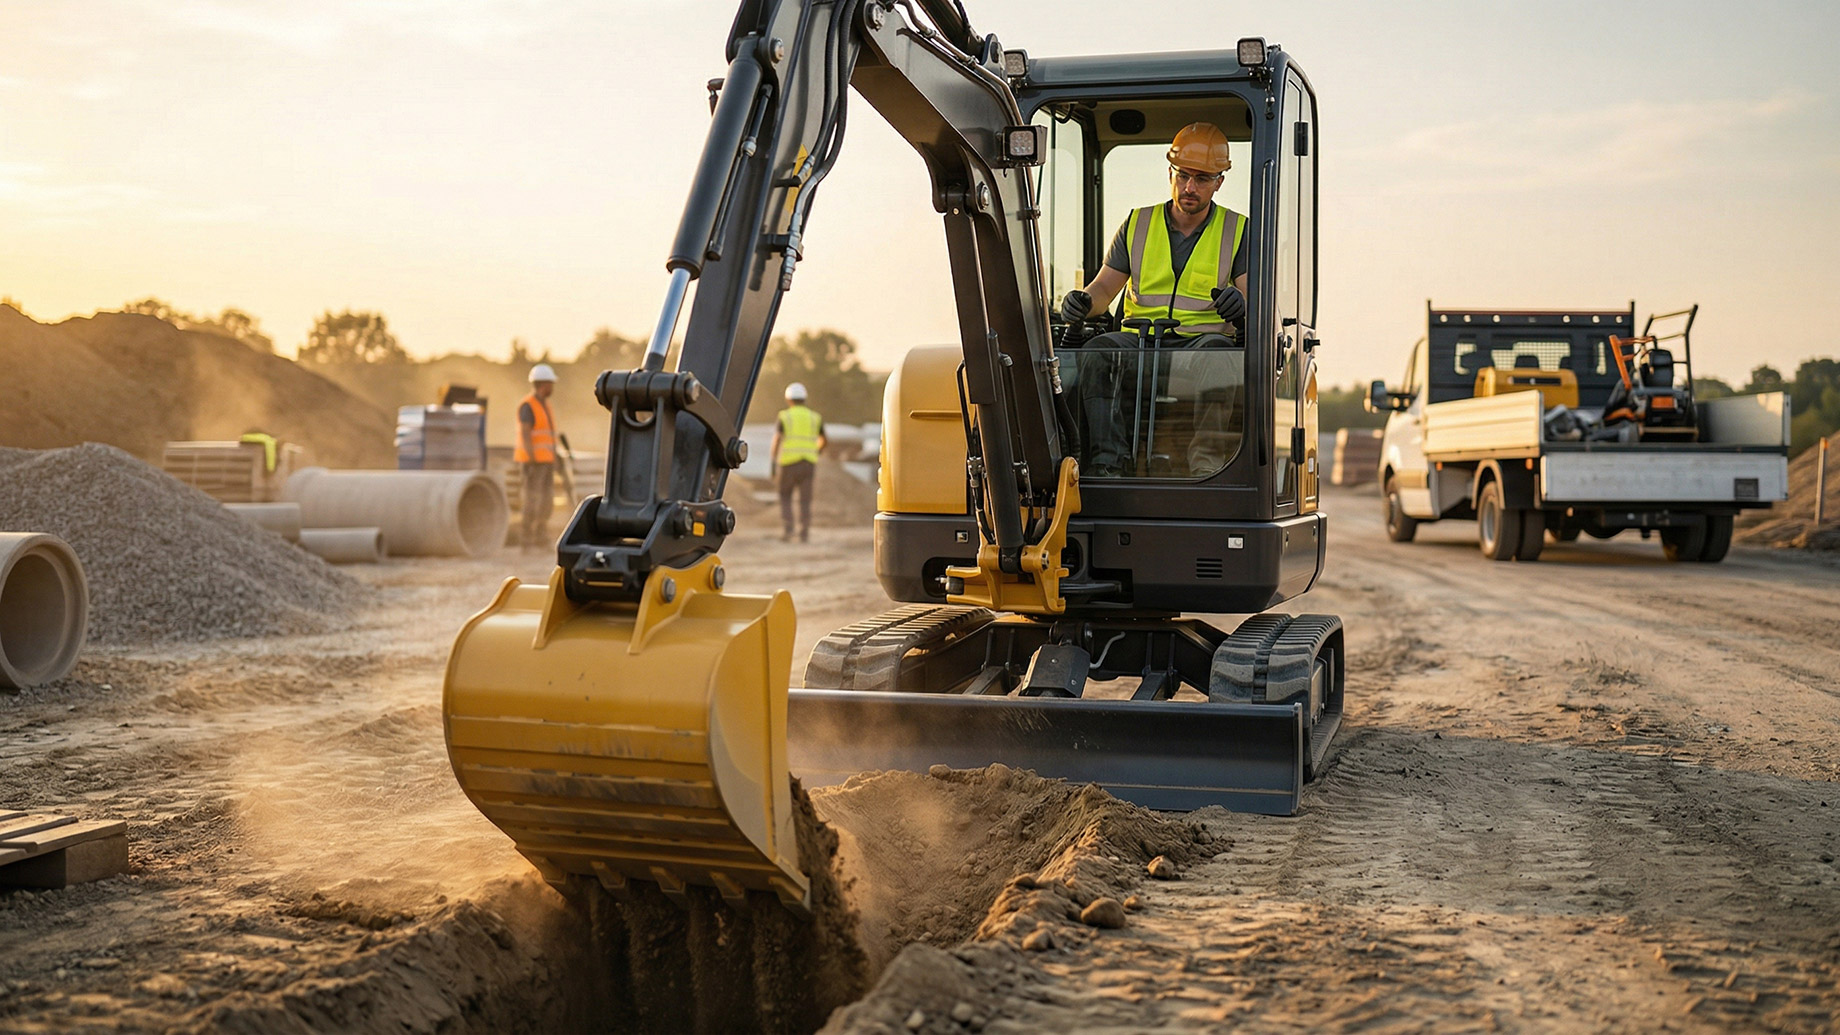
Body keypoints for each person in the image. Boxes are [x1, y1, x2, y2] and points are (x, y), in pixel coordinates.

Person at [1057, 122, 1250, 477]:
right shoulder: (1137, 223)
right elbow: (1104, 289)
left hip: (1198, 349)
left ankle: (1204, 467)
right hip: (1139, 344)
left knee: (1220, 357)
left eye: (1203, 179)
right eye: (1183, 175)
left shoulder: (1238, 230)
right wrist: (1083, 301)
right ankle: (1106, 464)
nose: (1190, 187)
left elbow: (1249, 295)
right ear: (1170, 172)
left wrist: (1240, 304)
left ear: (1220, 181)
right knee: (1098, 351)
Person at [769, 382, 826, 542]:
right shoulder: (815, 417)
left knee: (785, 496)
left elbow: (777, 439)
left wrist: (773, 461)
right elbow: (824, 439)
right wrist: (816, 452)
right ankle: (804, 532)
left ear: (789, 400)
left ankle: (789, 530)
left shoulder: (784, 416)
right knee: (805, 499)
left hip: (788, 463)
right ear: (804, 399)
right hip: (808, 463)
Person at [515, 363, 560, 551]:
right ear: (544, 384)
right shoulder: (528, 405)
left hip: (546, 460)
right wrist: (532, 458)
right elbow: (526, 433)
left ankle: (541, 536)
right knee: (532, 500)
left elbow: (547, 434)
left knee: (547, 500)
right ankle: (526, 540)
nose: (553, 387)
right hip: (534, 462)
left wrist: (554, 456)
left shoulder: (544, 405)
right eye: (551, 383)